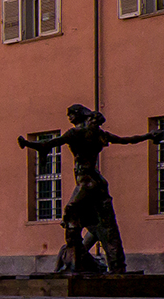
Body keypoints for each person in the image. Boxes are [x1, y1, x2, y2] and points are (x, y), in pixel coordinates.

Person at [18, 106, 163, 274]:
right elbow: (127, 140)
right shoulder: (98, 135)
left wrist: (30, 144)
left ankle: (76, 260)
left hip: (87, 182)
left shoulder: (76, 134)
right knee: (104, 226)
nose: (69, 117)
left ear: (80, 116)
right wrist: (149, 136)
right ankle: (115, 265)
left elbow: (50, 143)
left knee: (71, 213)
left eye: (71, 114)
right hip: (98, 182)